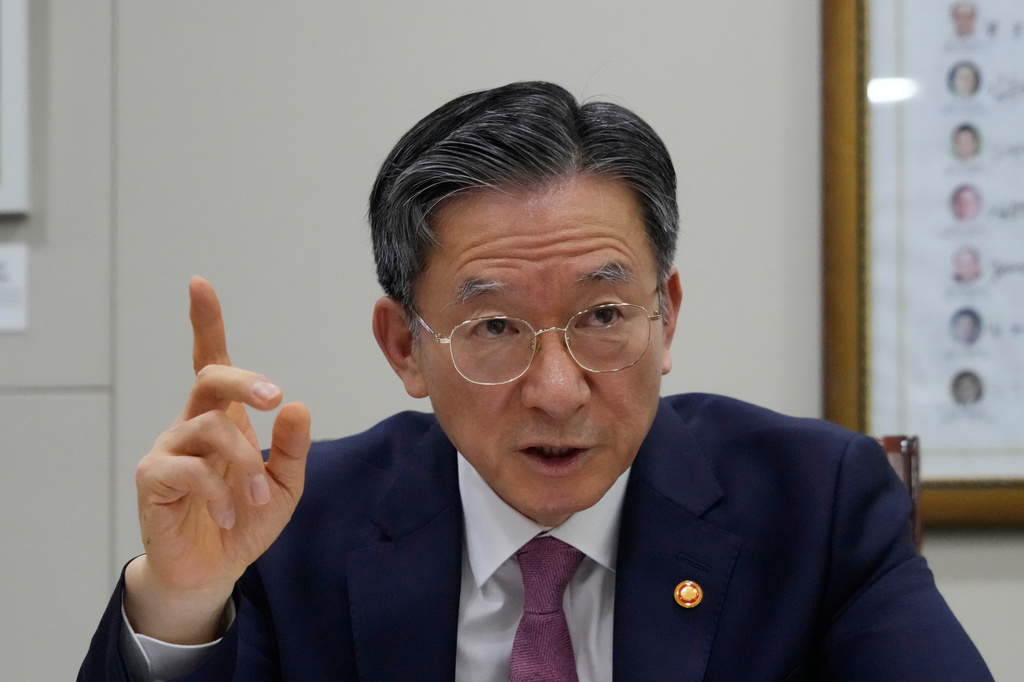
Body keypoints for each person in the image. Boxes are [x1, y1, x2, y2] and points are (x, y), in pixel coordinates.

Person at [78, 81, 992, 681]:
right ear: (404, 346)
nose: (557, 390)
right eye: (494, 327)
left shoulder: (817, 505)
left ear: (665, 315)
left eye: (602, 316)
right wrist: (184, 605)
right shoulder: (295, 525)